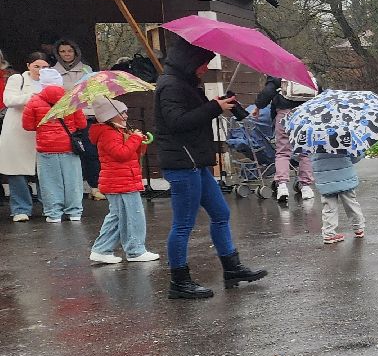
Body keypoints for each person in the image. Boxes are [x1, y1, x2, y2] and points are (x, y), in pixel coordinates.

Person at [154, 36, 267, 299]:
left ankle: (232, 267)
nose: (205, 68)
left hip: (197, 162)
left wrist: (215, 105)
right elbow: (177, 122)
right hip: (184, 164)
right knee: (183, 224)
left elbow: (192, 115)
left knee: (221, 213)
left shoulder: (185, 83)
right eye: (203, 63)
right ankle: (179, 281)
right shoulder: (170, 86)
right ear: (189, 61)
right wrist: (214, 108)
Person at [87, 97, 159, 263]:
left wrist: (139, 142)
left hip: (123, 181)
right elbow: (121, 154)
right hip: (120, 182)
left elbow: (131, 154)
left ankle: (102, 249)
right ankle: (135, 250)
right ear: (109, 116)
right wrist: (134, 139)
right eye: (121, 112)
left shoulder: (116, 132)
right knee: (133, 216)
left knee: (118, 217)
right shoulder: (108, 134)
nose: (125, 115)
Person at [22, 68, 85, 223]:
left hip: (46, 147)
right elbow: (82, 123)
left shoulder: (34, 101)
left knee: (49, 182)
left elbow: (28, 126)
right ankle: (75, 212)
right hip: (68, 146)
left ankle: (54, 214)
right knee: (73, 180)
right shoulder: (71, 99)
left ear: (42, 84)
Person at [0, 53, 48, 221]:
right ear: (29, 65)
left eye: (45, 67)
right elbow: (8, 100)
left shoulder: (51, 82)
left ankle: (49, 207)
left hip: (42, 131)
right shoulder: (16, 80)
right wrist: (33, 97)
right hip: (17, 133)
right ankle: (21, 208)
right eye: (37, 66)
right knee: (16, 172)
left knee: (45, 172)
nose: (41, 70)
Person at [255, 75, 316, 204]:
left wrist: (258, 105)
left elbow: (267, 93)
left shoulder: (278, 75)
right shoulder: (306, 74)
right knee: (305, 151)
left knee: (283, 151)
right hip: (305, 115)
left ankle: (282, 185)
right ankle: (305, 186)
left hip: (285, 115)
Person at [54, 37, 103, 200]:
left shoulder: (87, 70)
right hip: (65, 118)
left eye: (69, 50)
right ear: (57, 53)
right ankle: (71, 191)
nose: (66, 54)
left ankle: (95, 187)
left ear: (75, 52)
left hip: (86, 115)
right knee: (69, 155)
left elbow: (94, 93)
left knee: (91, 153)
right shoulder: (53, 72)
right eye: (62, 51)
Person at [315, 152, 364, 244]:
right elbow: (356, 157)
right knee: (351, 204)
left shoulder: (315, 142)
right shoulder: (344, 140)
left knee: (329, 207)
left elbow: (301, 158)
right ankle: (358, 227)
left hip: (325, 180)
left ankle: (329, 234)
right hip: (345, 178)